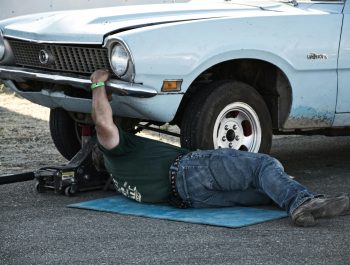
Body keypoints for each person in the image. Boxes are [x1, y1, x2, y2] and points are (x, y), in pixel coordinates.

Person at [90, 69, 349, 227]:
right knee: (265, 166)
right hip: (190, 170)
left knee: (267, 192)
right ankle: (303, 203)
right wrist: (98, 84)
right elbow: (102, 123)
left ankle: (308, 205)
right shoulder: (116, 153)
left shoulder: (122, 182)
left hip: (192, 199)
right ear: (104, 152)